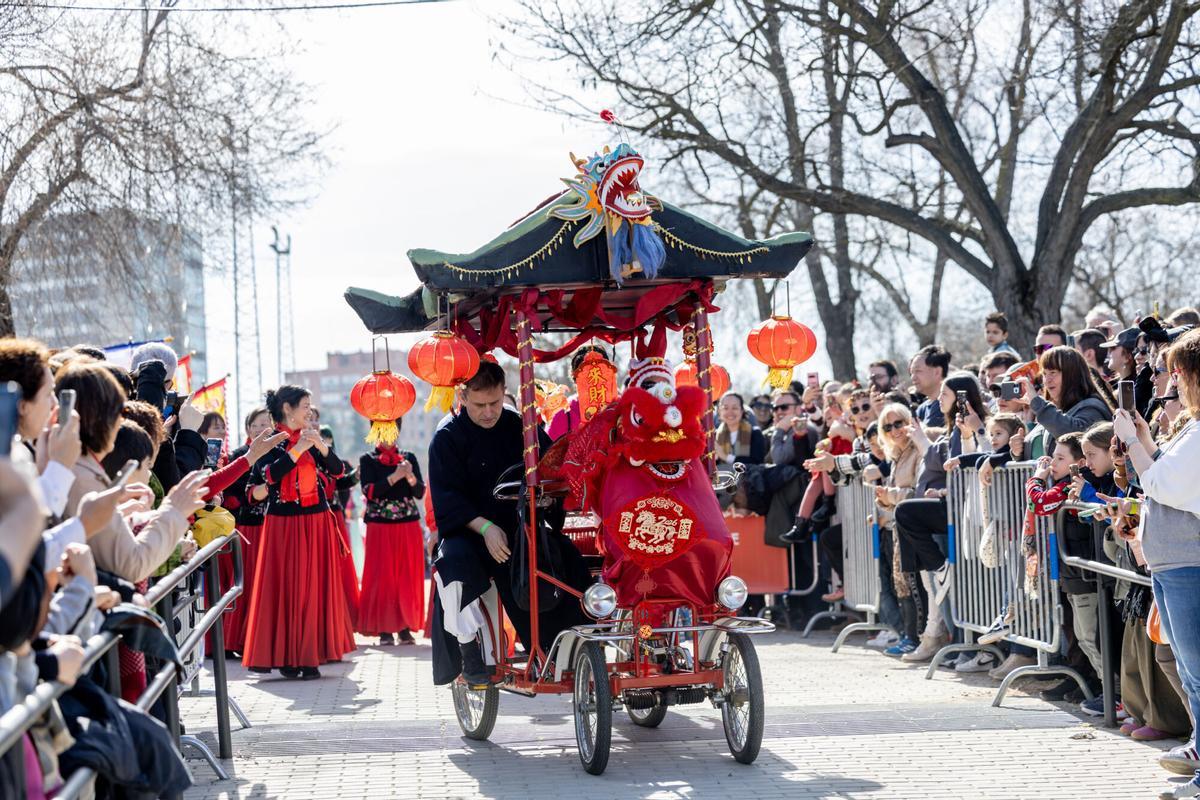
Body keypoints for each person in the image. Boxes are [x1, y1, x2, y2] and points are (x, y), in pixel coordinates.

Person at [428, 361, 588, 686]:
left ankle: (575, 639)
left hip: (518, 528)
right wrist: (485, 528)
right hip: (469, 531)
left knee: (565, 555)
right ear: (462, 396)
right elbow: (447, 498)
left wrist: (548, 497)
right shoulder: (447, 437)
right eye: (479, 405)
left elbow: (551, 466)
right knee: (452, 569)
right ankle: (469, 648)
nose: (488, 412)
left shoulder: (521, 427)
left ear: (505, 394)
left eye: (495, 403)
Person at [1110, 329, 1200, 798]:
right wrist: (1145, 439)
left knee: (1199, 671)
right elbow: (1165, 472)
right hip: (1172, 562)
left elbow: (1165, 483)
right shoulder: (1191, 424)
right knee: (1190, 670)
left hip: (1190, 563)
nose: (1169, 382)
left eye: (1176, 372)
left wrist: (1133, 441)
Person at [241, 385, 357, 680]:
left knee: (313, 588)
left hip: (315, 520)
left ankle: (310, 656)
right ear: (288, 409)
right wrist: (296, 451)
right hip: (283, 524)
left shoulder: (310, 438)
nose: (310, 411)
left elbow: (339, 471)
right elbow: (267, 477)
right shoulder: (269, 441)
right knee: (288, 587)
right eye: (305, 406)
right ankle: (289, 658)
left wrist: (320, 447)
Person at [59, 361, 206, 584]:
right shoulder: (81, 477)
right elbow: (132, 565)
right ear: (96, 416)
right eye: (117, 411)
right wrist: (172, 511)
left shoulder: (82, 468)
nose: (123, 422)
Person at [357, 420, 426, 646]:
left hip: (408, 524)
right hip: (379, 525)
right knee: (381, 575)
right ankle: (384, 628)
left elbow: (419, 492)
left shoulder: (409, 457)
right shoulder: (368, 460)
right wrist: (395, 476)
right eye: (383, 430)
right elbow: (369, 492)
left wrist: (409, 476)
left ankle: (405, 627)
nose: (389, 436)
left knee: (407, 575)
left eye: (393, 430)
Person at [1014, 345, 1113, 454]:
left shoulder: (1092, 409)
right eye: (1044, 374)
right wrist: (1020, 450)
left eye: (1053, 373)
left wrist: (1037, 404)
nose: (1047, 380)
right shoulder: (1054, 410)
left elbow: (1071, 437)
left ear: (1072, 374)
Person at [714, 392, 766, 465]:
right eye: (725, 408)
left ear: (742, 411)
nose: (730, 412)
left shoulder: (755, 434)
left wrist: (725, 457)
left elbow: (757, 462)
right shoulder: (714, 437)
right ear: (719, 411)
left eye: (734, 408)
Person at [909, 345, 951, 428]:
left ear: (937, 372)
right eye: (911, 372)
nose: (913, 377)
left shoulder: (951, 404)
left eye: (918, 371)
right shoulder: (922, 409)